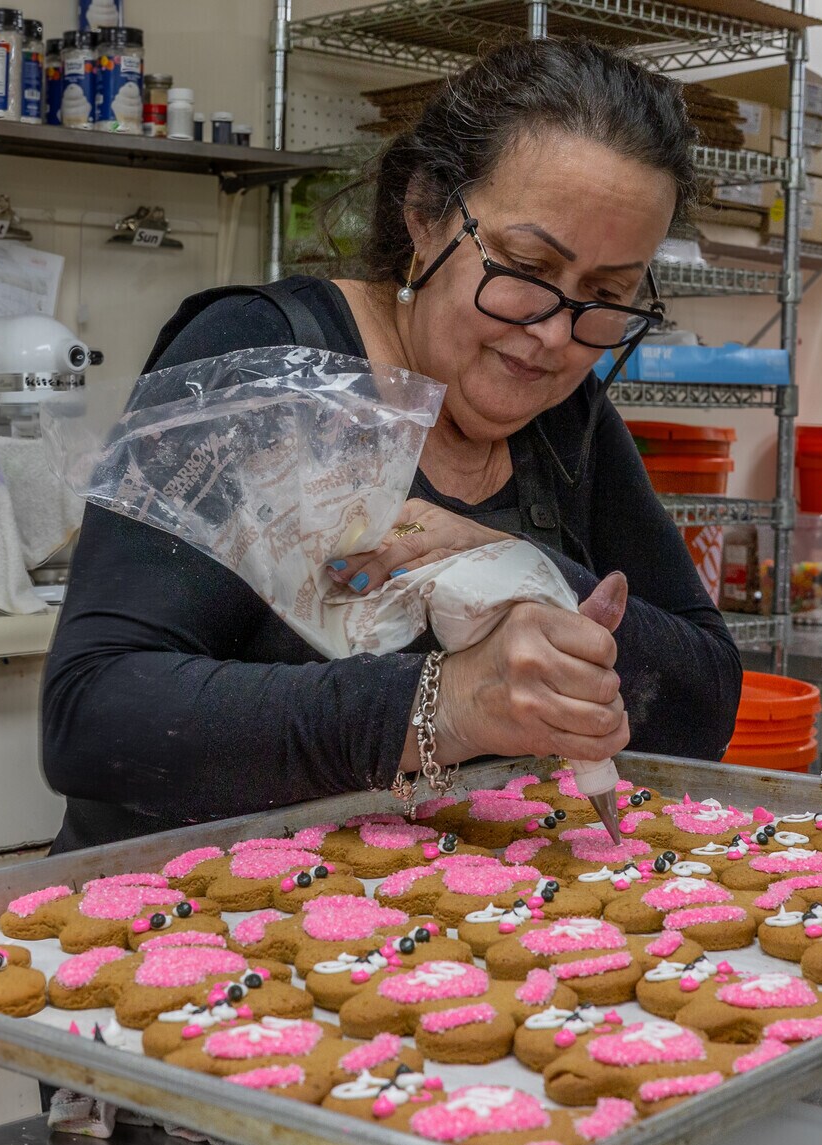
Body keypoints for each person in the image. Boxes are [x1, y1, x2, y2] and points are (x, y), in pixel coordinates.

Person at [42, 38, 742, 851]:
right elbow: (95, 719)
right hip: (189, 921)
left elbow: (703, 705)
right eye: (524, 265)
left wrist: (517, 568)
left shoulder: (563, 416)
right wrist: (444, 704)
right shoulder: (263, 365)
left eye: (607, 295)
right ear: (424, 215)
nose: (554, 334)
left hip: (432, 933)